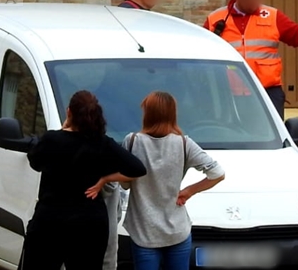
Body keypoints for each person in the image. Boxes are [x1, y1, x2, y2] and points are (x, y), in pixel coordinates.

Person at [89, 92, 224, 270]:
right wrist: (190, 190)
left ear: (148, 114)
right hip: (178, 231)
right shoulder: (184, 144)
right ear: (172, 114)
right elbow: (218, 173)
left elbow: (125, 184)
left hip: (144, 233)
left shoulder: (132, 142)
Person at [23, 91, 146, 270]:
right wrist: (105, 178)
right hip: (90, 223)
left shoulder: (52, 139)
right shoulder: (103, 143)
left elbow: (35, 162)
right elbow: (138, 168)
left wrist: (63, 129)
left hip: (51, 221)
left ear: (69, 112)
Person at [205, 0, 298, 117]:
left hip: (268, 90)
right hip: (228, 93)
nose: (255, 1)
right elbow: (201, 52)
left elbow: (297, 35)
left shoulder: (271, 16)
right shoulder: (215, 19)